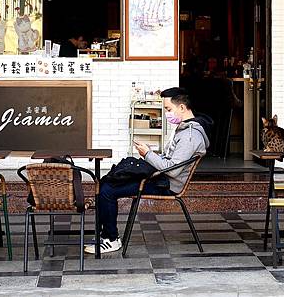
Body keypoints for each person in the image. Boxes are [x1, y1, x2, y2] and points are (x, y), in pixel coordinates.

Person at [85, 87, 211, 254]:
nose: (167, 114)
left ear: (182, 107)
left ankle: (111, 239)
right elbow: (169, 160)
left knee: (108, 190)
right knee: (108, 181)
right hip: (159, 178)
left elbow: (173, 171)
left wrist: (148, 154)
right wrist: (151, 155)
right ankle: (106, 235)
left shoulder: (190, 136)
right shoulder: (185, 128)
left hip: (166, 184)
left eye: (168, 109)